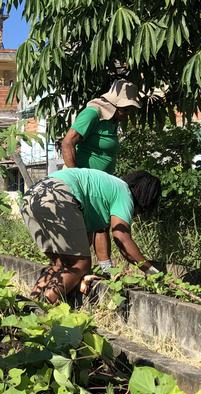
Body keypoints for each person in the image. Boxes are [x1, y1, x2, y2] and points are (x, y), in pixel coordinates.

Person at [21, 168, 161, 303]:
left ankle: (30, 306)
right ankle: (44, 307)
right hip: (58, 195)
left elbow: (91, 237)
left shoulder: (105, 190)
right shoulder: (125, 193)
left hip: (33, 197)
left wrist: (106, 270)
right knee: (80, 265)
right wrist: (151, 271)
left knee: (61, 264)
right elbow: (121, 237)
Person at [60, 79, 142, 275]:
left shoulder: (112, 122)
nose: (127, 114)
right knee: (84, 233)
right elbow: (67, 143)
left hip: (99, 185)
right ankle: (70, 274)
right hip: (82, 183)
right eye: (126, 109)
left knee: (100, 224)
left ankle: (105, 270)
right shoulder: (92, 114)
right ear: (115, 105)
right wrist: (78, 177)